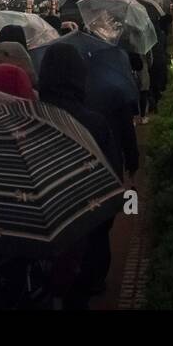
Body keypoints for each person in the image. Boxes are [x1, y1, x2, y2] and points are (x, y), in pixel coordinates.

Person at [37, 43, 120, 305]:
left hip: (41, 232)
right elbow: (112, 181)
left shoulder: (31, 117)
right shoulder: (94, 123)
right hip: (85, 232)